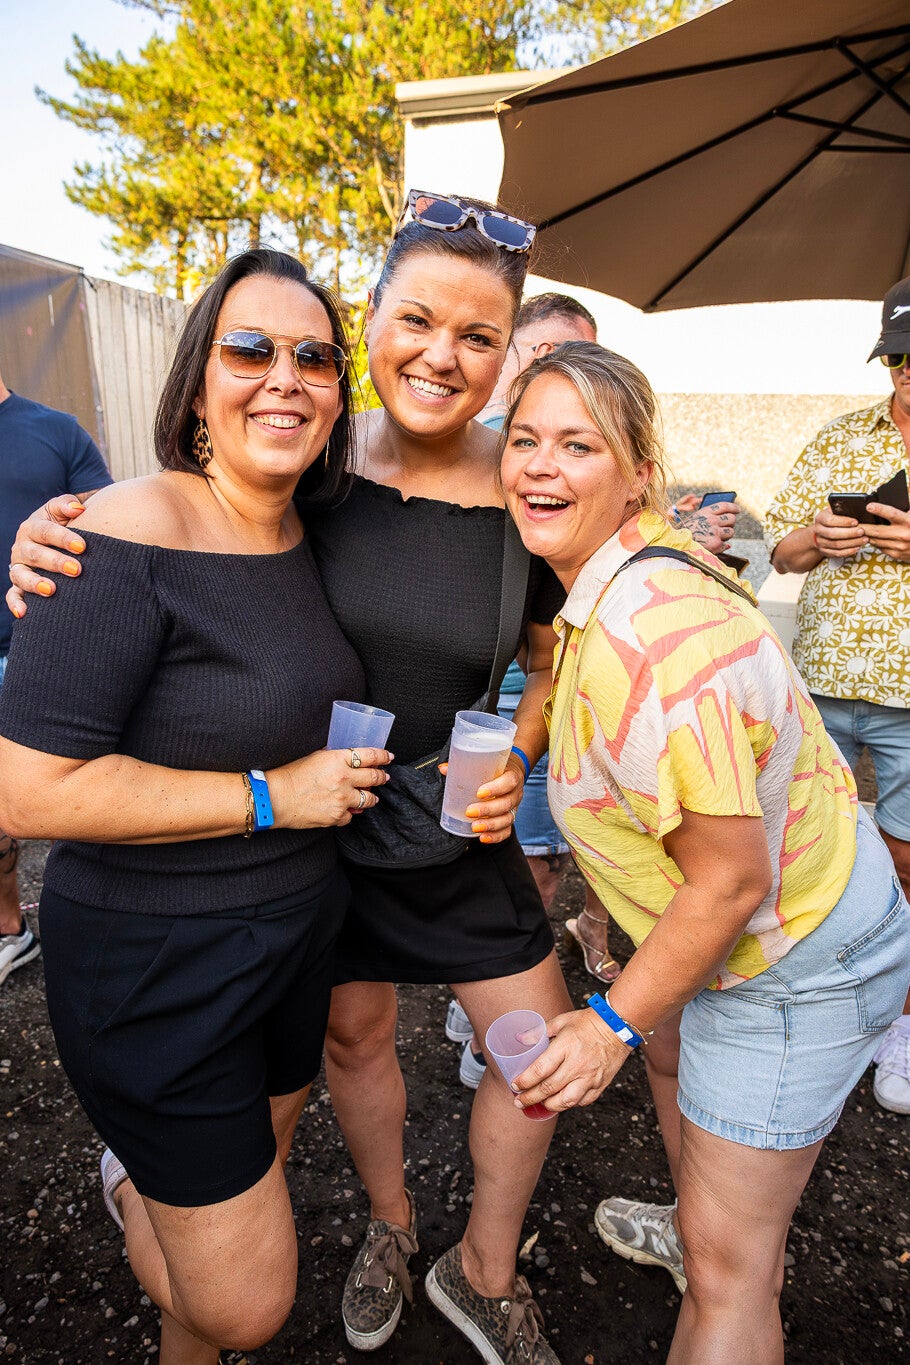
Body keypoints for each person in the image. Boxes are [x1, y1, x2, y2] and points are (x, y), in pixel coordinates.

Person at [7, 192, 573, 1365]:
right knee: (333, 1082)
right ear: (374, 327)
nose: (442, 355)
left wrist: (520, 752)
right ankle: (383, 1226)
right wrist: (58, 537)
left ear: (504, 353)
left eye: (477, 335)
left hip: (412, 845)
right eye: (416, 322)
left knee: (532, 1059)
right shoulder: (311, 471)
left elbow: (554, 644)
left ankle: (483, 1270)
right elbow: (184, 547)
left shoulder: (516, 486)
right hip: (295, 855)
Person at [0, 247, 393, 1364]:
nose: (285, 377)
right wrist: (274, 796)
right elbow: (26, 789)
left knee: (232, 1215)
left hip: (294, 942)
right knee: (244, 1303)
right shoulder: (117, 532)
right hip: (155, 963)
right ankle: (130, 1180)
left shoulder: (312, 530)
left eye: (315, 357)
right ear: (197, 382)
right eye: (250, 348)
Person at [497, 341, 910, 1363]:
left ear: (640, 472)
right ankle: (703, 1219)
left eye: (577, 445)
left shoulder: (649, 642)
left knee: (729, 1278)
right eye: (524, 439)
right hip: (792, 921)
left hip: (794, 964)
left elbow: (730, 880)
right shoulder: (629, 566)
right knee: (716, 1212)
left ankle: (715, 1248)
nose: (540, 465)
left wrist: (607, 1025)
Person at [764, 275, 910, 1115]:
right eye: (899, 358)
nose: (908, 373)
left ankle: (902, 1022)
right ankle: (817, 998)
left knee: (907, 855)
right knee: (807, 846)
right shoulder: (841, 436)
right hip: (819, 681)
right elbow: (780, 554)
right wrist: (815, 538)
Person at [0, 370, 111, 985]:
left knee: (25, 803)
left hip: (32, 650)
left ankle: (13, 930)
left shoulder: (55, 432)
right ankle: (10, 928)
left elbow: (109, 528)